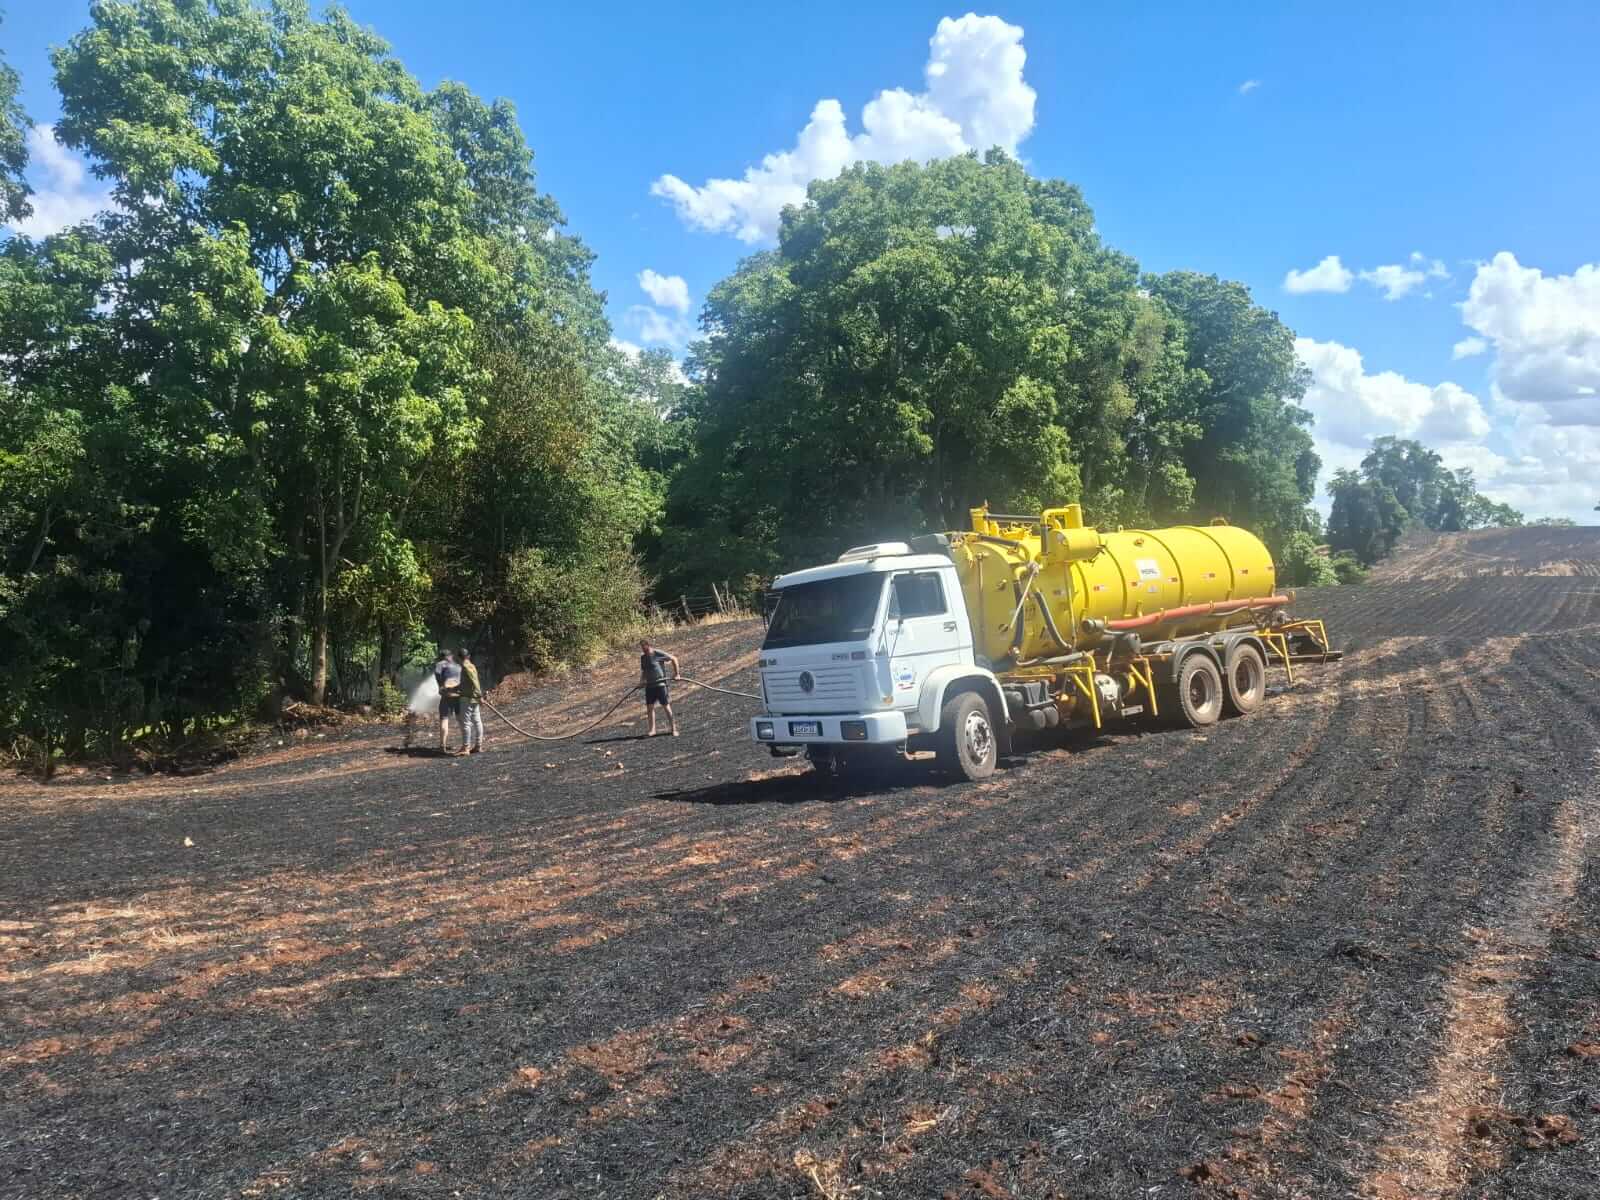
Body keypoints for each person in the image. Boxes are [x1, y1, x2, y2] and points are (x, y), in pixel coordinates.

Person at [639, 639, 680, 736]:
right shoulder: (643, 657)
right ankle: (652, 730)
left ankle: (673, 729)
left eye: (645, 649)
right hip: (649, 686)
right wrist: (641, 682)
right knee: (650, 708)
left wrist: (677, 674)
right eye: (642, 649)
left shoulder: (657, 653)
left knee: (666, 706)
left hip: (660, 685)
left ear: (649, 646)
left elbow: (674, 658)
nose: (644, 651)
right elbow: (644, 671)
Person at [457, 646, 483, 755]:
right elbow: (471, 682)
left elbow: (474, 682)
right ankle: (478, 745)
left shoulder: (465, 666)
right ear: (468, 656)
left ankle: (466, 748)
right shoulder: (472, 665)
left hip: (467, 698)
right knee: (477, 721)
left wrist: (479, 695)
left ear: (459, 658)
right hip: (473, 698)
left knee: (466, 723)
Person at [434, 650, 462, 754]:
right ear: (451, 656)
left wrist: (441, 687)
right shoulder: (458, 666)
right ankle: (466, 744)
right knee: (461, 719)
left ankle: (442, 746)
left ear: (442, 657)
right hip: (459, 695)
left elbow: (438, 678)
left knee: (444, 720)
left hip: (447, 696)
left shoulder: (440, 664)